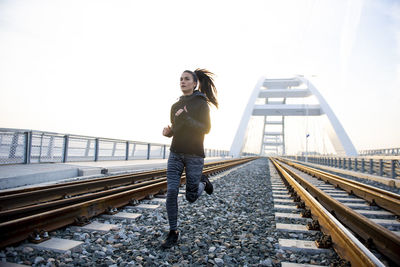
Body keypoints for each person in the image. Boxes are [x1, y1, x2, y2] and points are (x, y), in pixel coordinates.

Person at [161, 68, 218, 248]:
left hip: (194, 154)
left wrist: (185, 117)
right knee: (171, 192)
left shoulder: (201, 104)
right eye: (181, 79)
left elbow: (206, 129)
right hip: (176, 153)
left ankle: (204, 182)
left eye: (186, 79)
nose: (182, 82)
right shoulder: (175, 106)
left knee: (191, 197)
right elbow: (178, 129)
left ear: (195, 83)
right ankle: (173, 232)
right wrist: (169, 133)